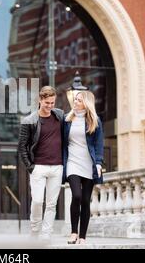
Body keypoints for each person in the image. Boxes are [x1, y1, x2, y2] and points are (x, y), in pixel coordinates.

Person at [18, 86, 64, 241]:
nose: (50, 106)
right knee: (37, 201)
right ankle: (35, 230)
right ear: (40, 100)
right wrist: (30, 167)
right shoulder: (29, 120)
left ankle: (46, 234)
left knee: (51, 204)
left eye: (52, 102)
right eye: (47, 103)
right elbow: (22, 147)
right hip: (38, 167)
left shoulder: (59, 115)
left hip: (57, 167)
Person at [62, 90, 104, 245]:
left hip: (89, 164)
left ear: (86, 103)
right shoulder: (67, 120)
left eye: (79, 100)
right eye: (75, 99)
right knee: (77, 196)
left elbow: (99, 144)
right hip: (72, 162)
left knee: (86, 200)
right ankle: (73, 232)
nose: (75, 102)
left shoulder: (95, 121)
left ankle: (82, 236)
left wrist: (98, 163)